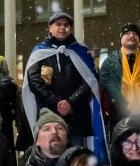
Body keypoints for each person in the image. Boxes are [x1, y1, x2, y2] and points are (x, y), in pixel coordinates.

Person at [23, 11, 105, 156]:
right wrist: (57, 101)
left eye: (66, 25)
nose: (62, 28)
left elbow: (90, 80)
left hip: (76, 117)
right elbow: (34, 81)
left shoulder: (81, 51)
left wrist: (71, 102)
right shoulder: (39, 52)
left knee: (76, 158)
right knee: (52, 157)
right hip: (49, 115)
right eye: (58, 24)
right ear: (49, 28)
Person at [99, 23, 140, 123]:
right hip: (120, 116)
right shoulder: (111, 62)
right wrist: (124, 105)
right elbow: (108, 86)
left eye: (135, 33)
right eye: (127, 33)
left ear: (139, 39)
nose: (131, 36)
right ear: (121, 39)